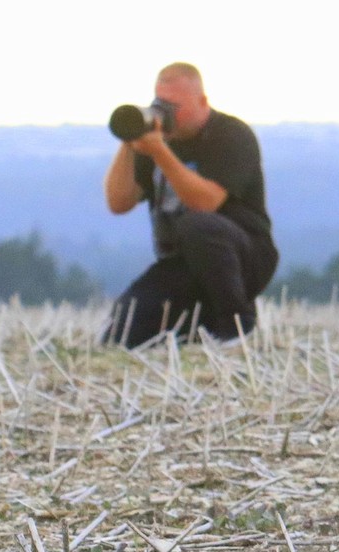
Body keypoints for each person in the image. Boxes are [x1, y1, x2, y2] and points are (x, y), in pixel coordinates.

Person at [102, 62, 278, 347]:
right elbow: (118, 202)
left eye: (176, 107)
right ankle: (196, 333)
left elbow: (206, 202)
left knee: (197, 224)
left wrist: (160, 151)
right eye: (161, 104)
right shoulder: (153, 143)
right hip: (182, 263)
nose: (168, 115)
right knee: (121, 332)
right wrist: (129, 141)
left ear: (202, 102)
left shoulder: (231, 135)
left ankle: (236, 327)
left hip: (243, 256)